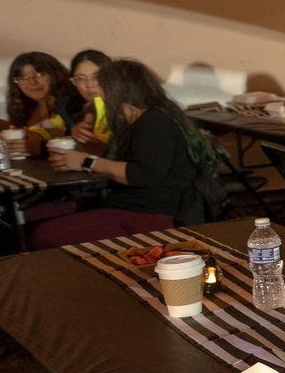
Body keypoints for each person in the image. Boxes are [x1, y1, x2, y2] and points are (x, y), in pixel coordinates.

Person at [35, 59, 213, 248]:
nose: (95, 91)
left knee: (43, 234)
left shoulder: (154, 123)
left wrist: (87, 162)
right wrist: (82, 148)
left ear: (118, 90)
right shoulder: (133, 120)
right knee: (31, 215)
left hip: (151, 213)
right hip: (125, 202)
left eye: (101, 85)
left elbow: (143, 175)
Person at [2, 52, 82, 158]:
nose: (32, 82)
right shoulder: (28, 106)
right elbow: (21, 130)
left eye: (39, 74)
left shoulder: (72, 104)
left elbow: (54, 129)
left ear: (55, 75)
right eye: (23, 77)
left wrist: (39, 146)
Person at [64, 49, 113, 154]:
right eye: (80, 79)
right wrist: (79, 138)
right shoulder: (86, 111)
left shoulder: (129, 111)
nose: (89, 85)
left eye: (97, 77)